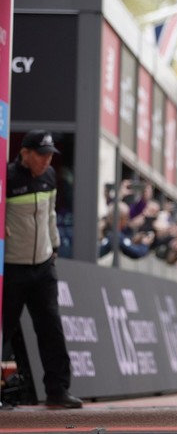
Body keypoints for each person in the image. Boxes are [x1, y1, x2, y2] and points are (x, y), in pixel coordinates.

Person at [2, 130, 83, 408]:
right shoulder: (7, 178)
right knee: (3, 330)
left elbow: (50, 216)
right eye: (41, 154)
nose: (47, 160)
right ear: (25, 153)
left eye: (50, 155)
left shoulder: (49, 177)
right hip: (12, 268)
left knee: (51, 329)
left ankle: (58, 391)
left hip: (43, 267)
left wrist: (55, 248)